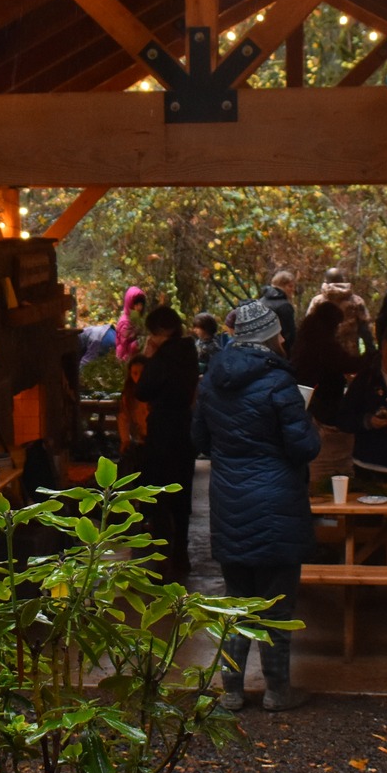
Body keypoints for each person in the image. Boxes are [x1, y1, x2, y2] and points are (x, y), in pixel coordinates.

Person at [192, 296, 323, 713]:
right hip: (277, 503)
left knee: (236, 602)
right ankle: (277, 691)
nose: (284, 340)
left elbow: (199, 439)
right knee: (277, 605)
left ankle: (231, 690)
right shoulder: (279, 383)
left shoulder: (211, 380)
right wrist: (307, 421)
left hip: (229, 501)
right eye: (279, 334)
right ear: (269, 338)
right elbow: (304, 447)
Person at [134, 305, 201, 579]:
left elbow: (142, 391)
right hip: (184, 427)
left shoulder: (162, 357)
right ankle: (182, 553)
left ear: (160, 332)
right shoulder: (189, 351)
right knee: (182, 493)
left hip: (162, 428)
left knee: (160, 492)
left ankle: (163, 556)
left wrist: (150, 357)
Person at [338, 314, 387, 491]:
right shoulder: (367, 377)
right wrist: (368, 421)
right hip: (368, 466)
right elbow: (343, 418)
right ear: (382, 349)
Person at [291, 299, 359, 491]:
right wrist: (369, 359)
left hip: (310, 401)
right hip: (321, 404)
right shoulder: (323, 344)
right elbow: (345, 363)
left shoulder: (306, 339)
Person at [307, 267, 372, 357]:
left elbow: (308, 329)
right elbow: (365, 329)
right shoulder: (356, 301)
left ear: (326, 281)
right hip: (350, 355)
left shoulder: (317, 301)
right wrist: (370, 352)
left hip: (323, 355)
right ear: (342, 280)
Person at [258, 269, 298, 353]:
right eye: (290, 286)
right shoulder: (284, 306)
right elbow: (289, 335)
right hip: (279, 351)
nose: (293, 289)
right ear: (281, 286)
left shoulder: (260, 301)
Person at [113, 286, 149, 363]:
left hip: (133, 358)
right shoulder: (125, 322)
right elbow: (125, 343)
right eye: (136, 305)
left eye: (141, 304)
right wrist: (140, 342)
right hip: (125, 359)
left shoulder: (136, 318)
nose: (139, 307)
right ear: (130, 304)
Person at [191, 312, 228, 376]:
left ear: (206, 328)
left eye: (197, 327)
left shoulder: (213, 347)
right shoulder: (199, 341)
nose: (194, 330)